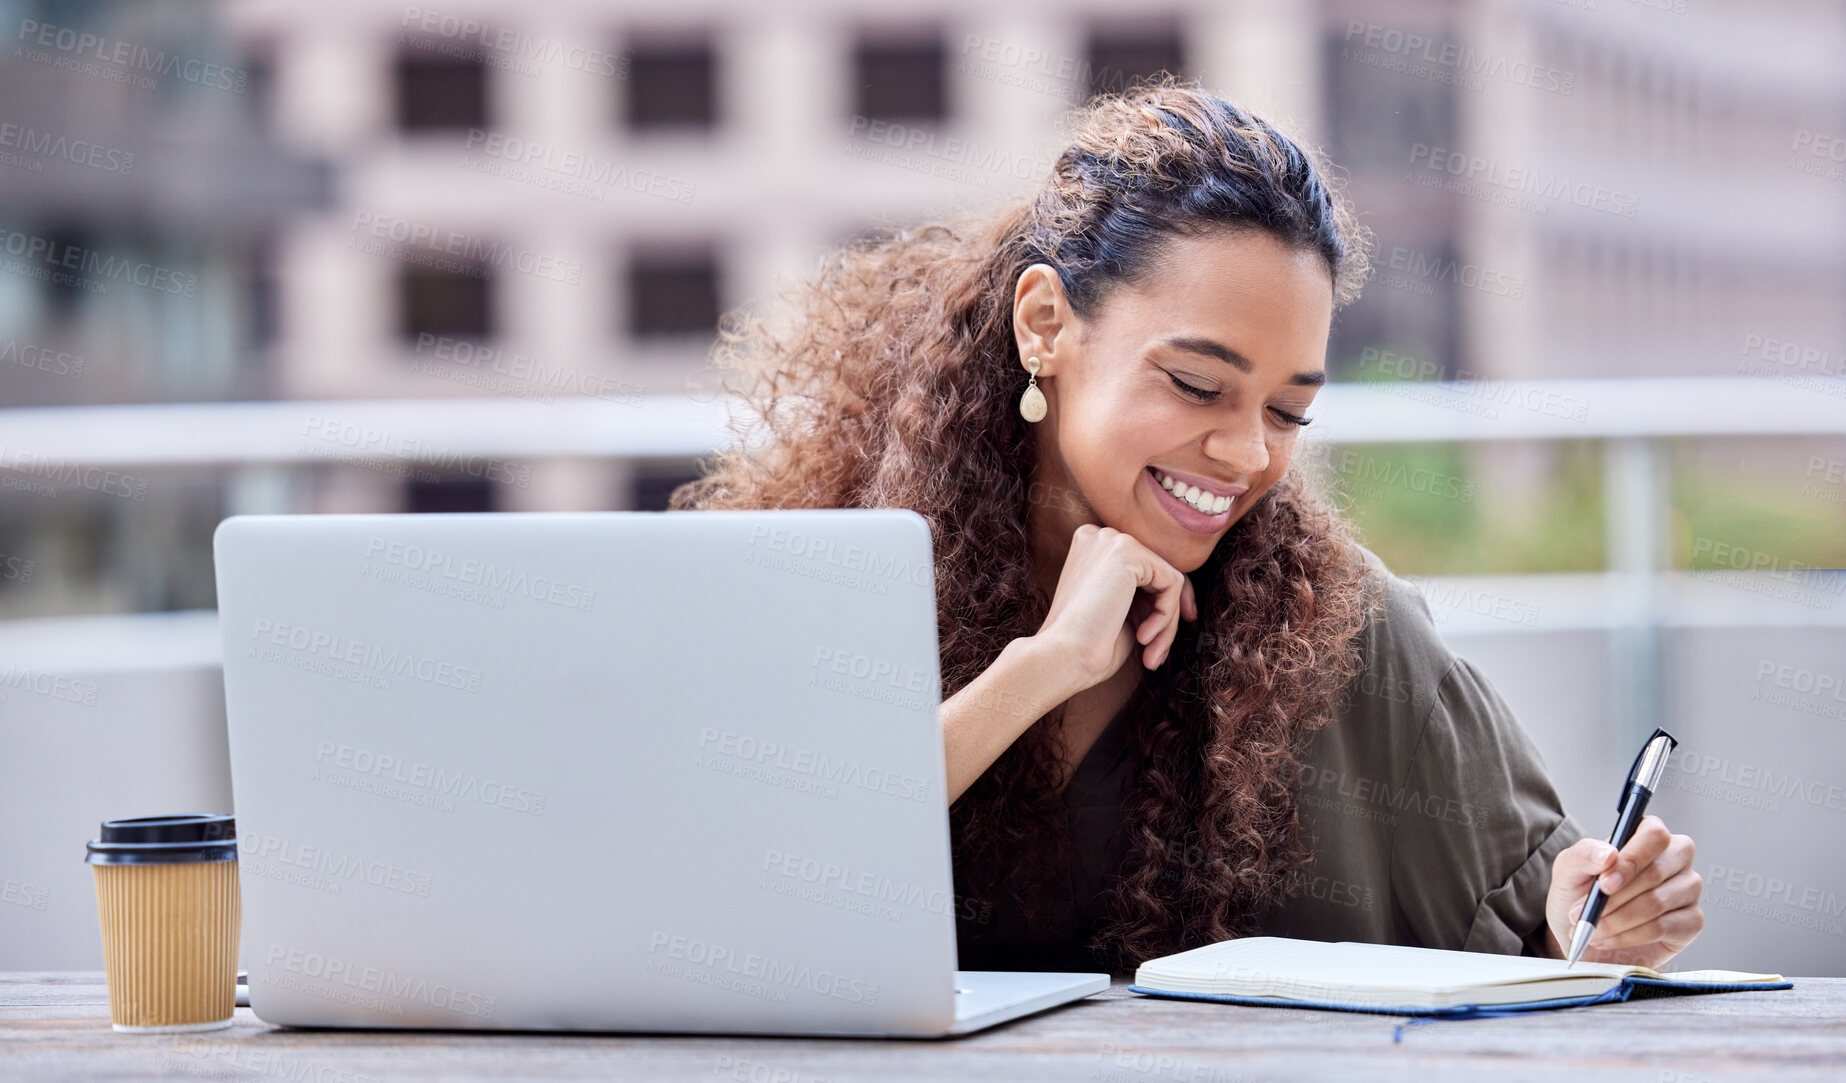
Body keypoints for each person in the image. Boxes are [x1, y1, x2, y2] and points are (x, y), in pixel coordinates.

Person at [669, 79, 1704, 977]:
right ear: (1045, 325)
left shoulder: (1345, 633)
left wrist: (1597, 920)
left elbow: (1547, 922)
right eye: (1197, 384)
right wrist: (1045, 666)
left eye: (1288, 411)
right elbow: (729, 875)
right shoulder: (830, 576)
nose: (1249, 453)